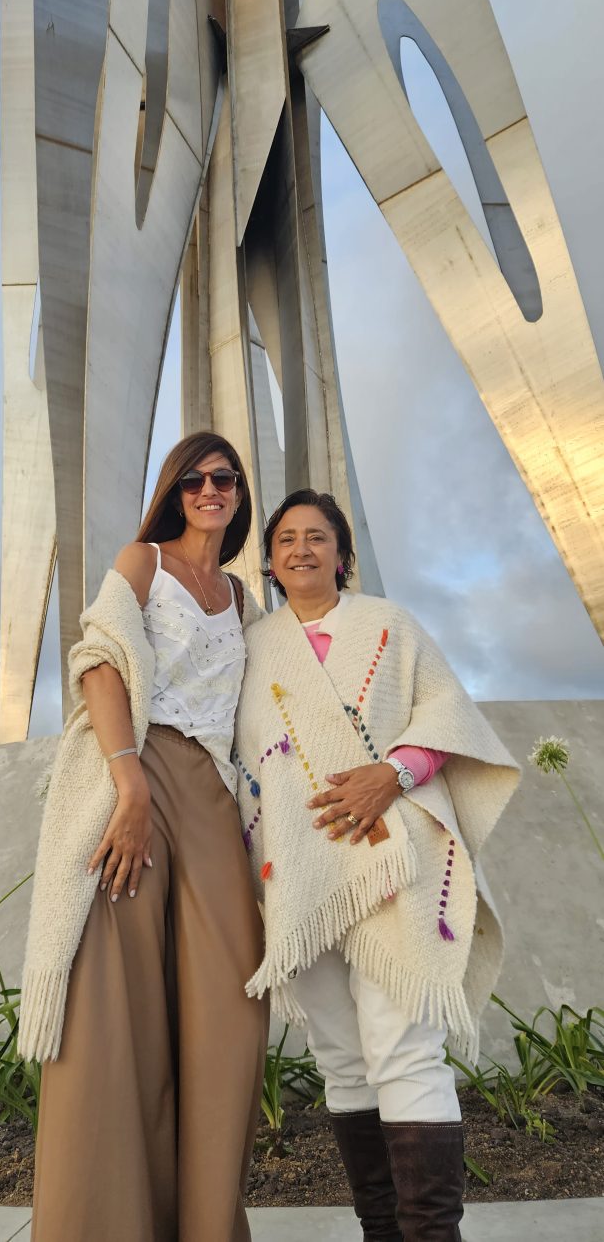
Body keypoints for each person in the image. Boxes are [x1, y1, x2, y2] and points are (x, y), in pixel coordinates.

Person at [234, 489, 520, 1242]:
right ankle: (381, 1232)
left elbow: (447, 716)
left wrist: (389, 774)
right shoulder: (254, 646)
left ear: (342, 553)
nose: (301, 549)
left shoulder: (389, 626)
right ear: (268, 560)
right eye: (287, 538)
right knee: (342, 1058)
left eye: (318, 536)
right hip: (299, 878)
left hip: (398, 861)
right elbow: (244, 764)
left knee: (406, 1050)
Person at [19, 432, 269, 1242]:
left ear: (238, 493)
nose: (209, 490)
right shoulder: (143, 562)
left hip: (213, 797)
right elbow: (97, 659)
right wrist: (127, 782)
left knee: (228, 1010)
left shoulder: (241, 597)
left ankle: (204, 1225)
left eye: (223, 478)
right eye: (193, 479)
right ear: (175, 490)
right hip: (135, 772)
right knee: (111, 1013)